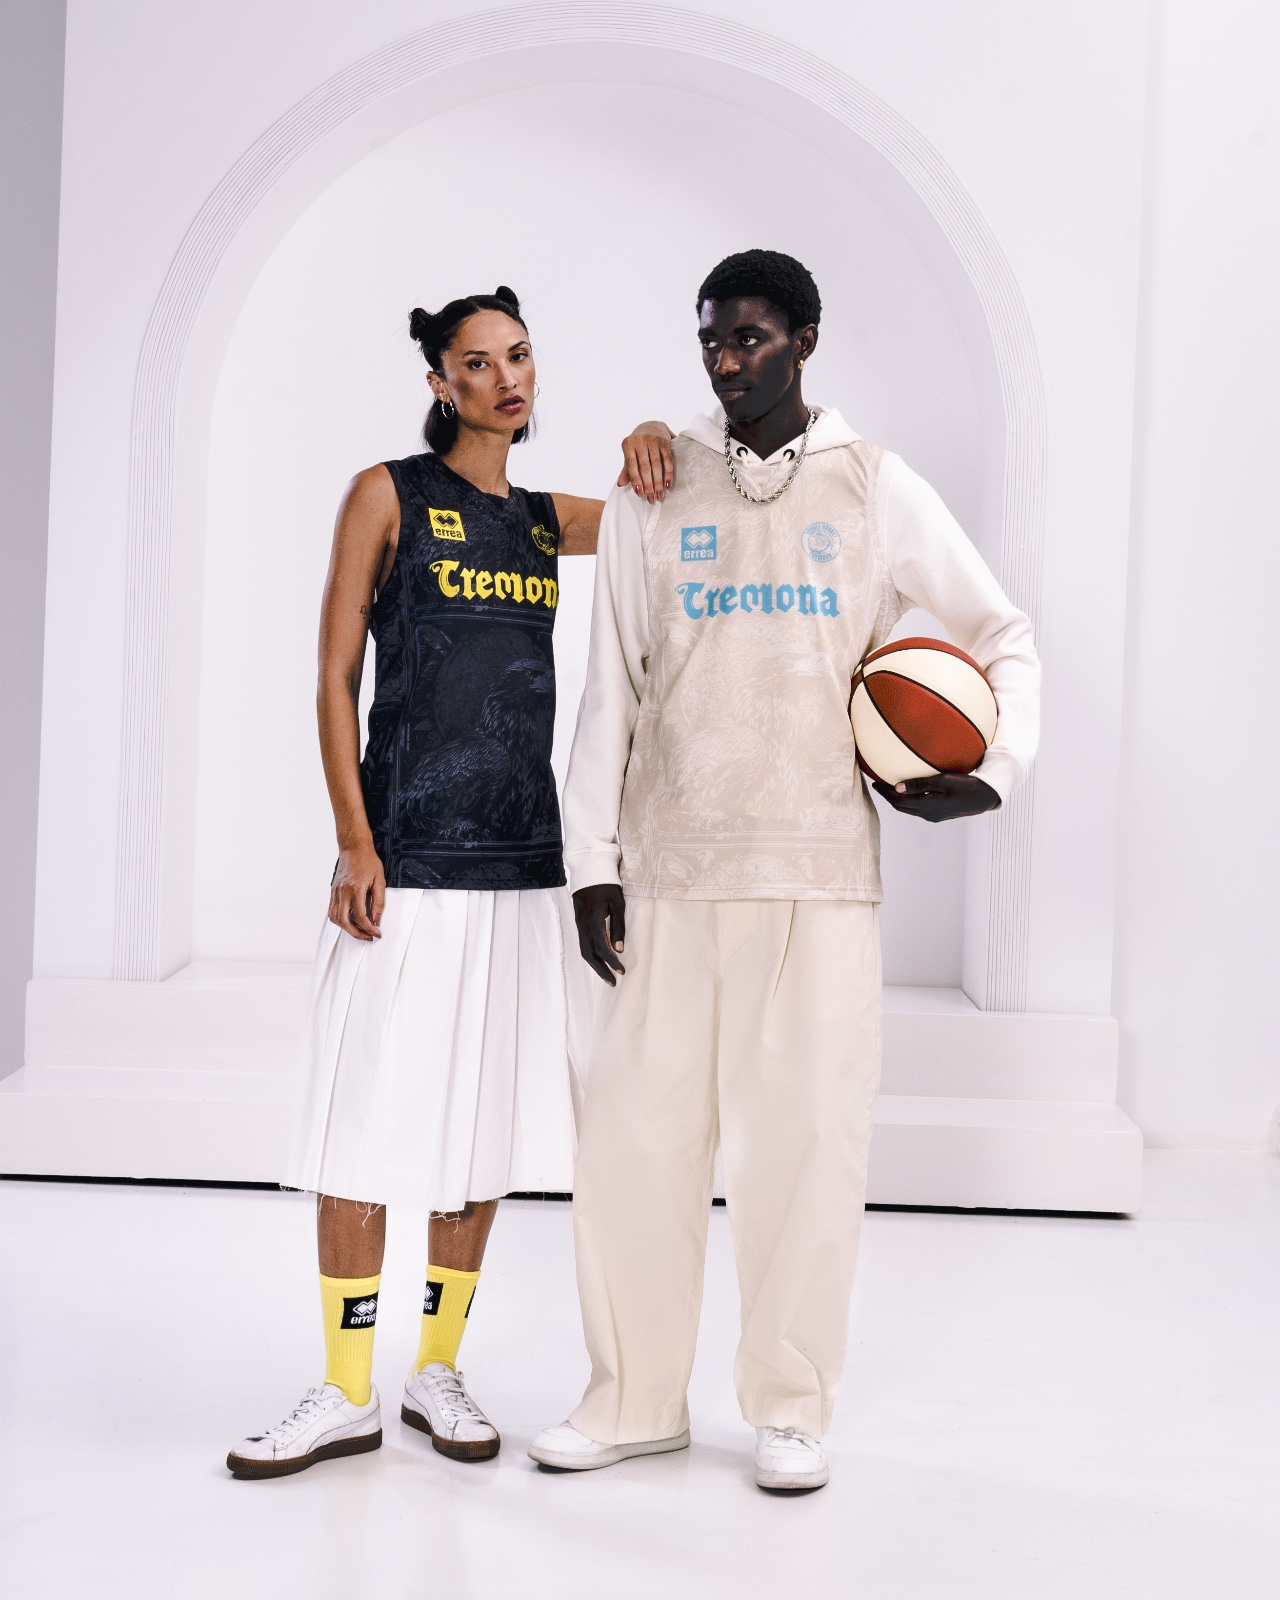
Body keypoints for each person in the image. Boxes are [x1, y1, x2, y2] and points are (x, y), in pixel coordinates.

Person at [528, 250, 1041, 1492]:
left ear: (804, 341)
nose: (724, 361)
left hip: (818, 876)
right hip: (665, 872)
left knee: (806, 1151)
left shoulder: (874, 485)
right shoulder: (654, 487)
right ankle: (631, 1398)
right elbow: (612, 685)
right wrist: (590, 862)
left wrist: (994, 768)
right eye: (710, 339)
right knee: (632, 1146)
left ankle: (791, 1405)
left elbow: (998, 631)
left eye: (749, 338)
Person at [227, 287, 606, 1479]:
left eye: (519, 355)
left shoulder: (545, 521)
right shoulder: (386, 494)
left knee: (476, 1133)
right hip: (404, 860)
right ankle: (345, 1388)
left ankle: (435, 1369)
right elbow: (332, 674)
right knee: (364, 1127)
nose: (507, 378)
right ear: (439, 381)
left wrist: (660, 442)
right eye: (477, 362)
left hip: (518, 863)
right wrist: (354, 839)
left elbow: (676, 514)